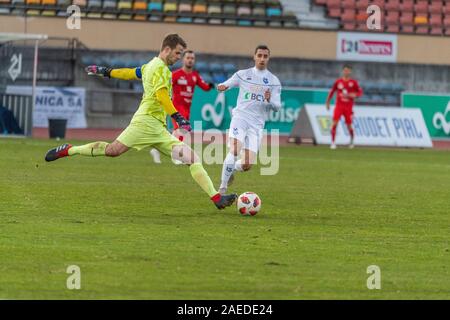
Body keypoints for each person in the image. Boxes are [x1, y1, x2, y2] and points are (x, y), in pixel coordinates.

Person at [45, 34, 237, 210]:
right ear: (167, 49)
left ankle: (216, 198)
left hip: (158, 128)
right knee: (112, 151)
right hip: (144, 123)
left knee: (192, 158)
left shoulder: (150, 66)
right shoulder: (160, 68)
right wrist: (177, 116)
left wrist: (106, 71)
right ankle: (69, 149)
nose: (179, 57)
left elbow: (130, 73)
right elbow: (161, 95)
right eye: (178, 53)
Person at [85, 50, 214, 164]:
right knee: (179, 130)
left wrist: (211, 86)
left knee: (176, 132)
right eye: (187, 57)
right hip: (175, 106)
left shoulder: (195, 76)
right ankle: (176, 155)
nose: (190, 60)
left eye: (192, 58)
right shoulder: (173, 74)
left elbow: (204, 86)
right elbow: (160, 89)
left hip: (187, 107)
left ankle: (162, 151)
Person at [216, 45, 281, 195]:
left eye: (265, 56)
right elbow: (227, 84)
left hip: (257, 125)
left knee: (247, 164)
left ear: (268, 58)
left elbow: (277, 106)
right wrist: (222, 86)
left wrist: (269, 100)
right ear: (254, 57)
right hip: (240, 118)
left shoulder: (273, 81)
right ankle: (222, 189)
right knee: (234, 149)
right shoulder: (243, 74)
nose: (262, 58)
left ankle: (231, 169)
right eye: (260, 55)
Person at [325, 65, 363, 149]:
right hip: (339, 106)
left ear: (350, 72)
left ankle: (352, 141)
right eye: (345, 70)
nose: (346, 72)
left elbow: (360, 92)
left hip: (348, 107)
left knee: (349, 125)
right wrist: (327, 102)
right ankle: (333, 142)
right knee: (335, 123)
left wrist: (355, 95)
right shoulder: (338, 82)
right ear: (343, 71)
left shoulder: (353, 82)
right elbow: (332, 91)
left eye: (348, 71)